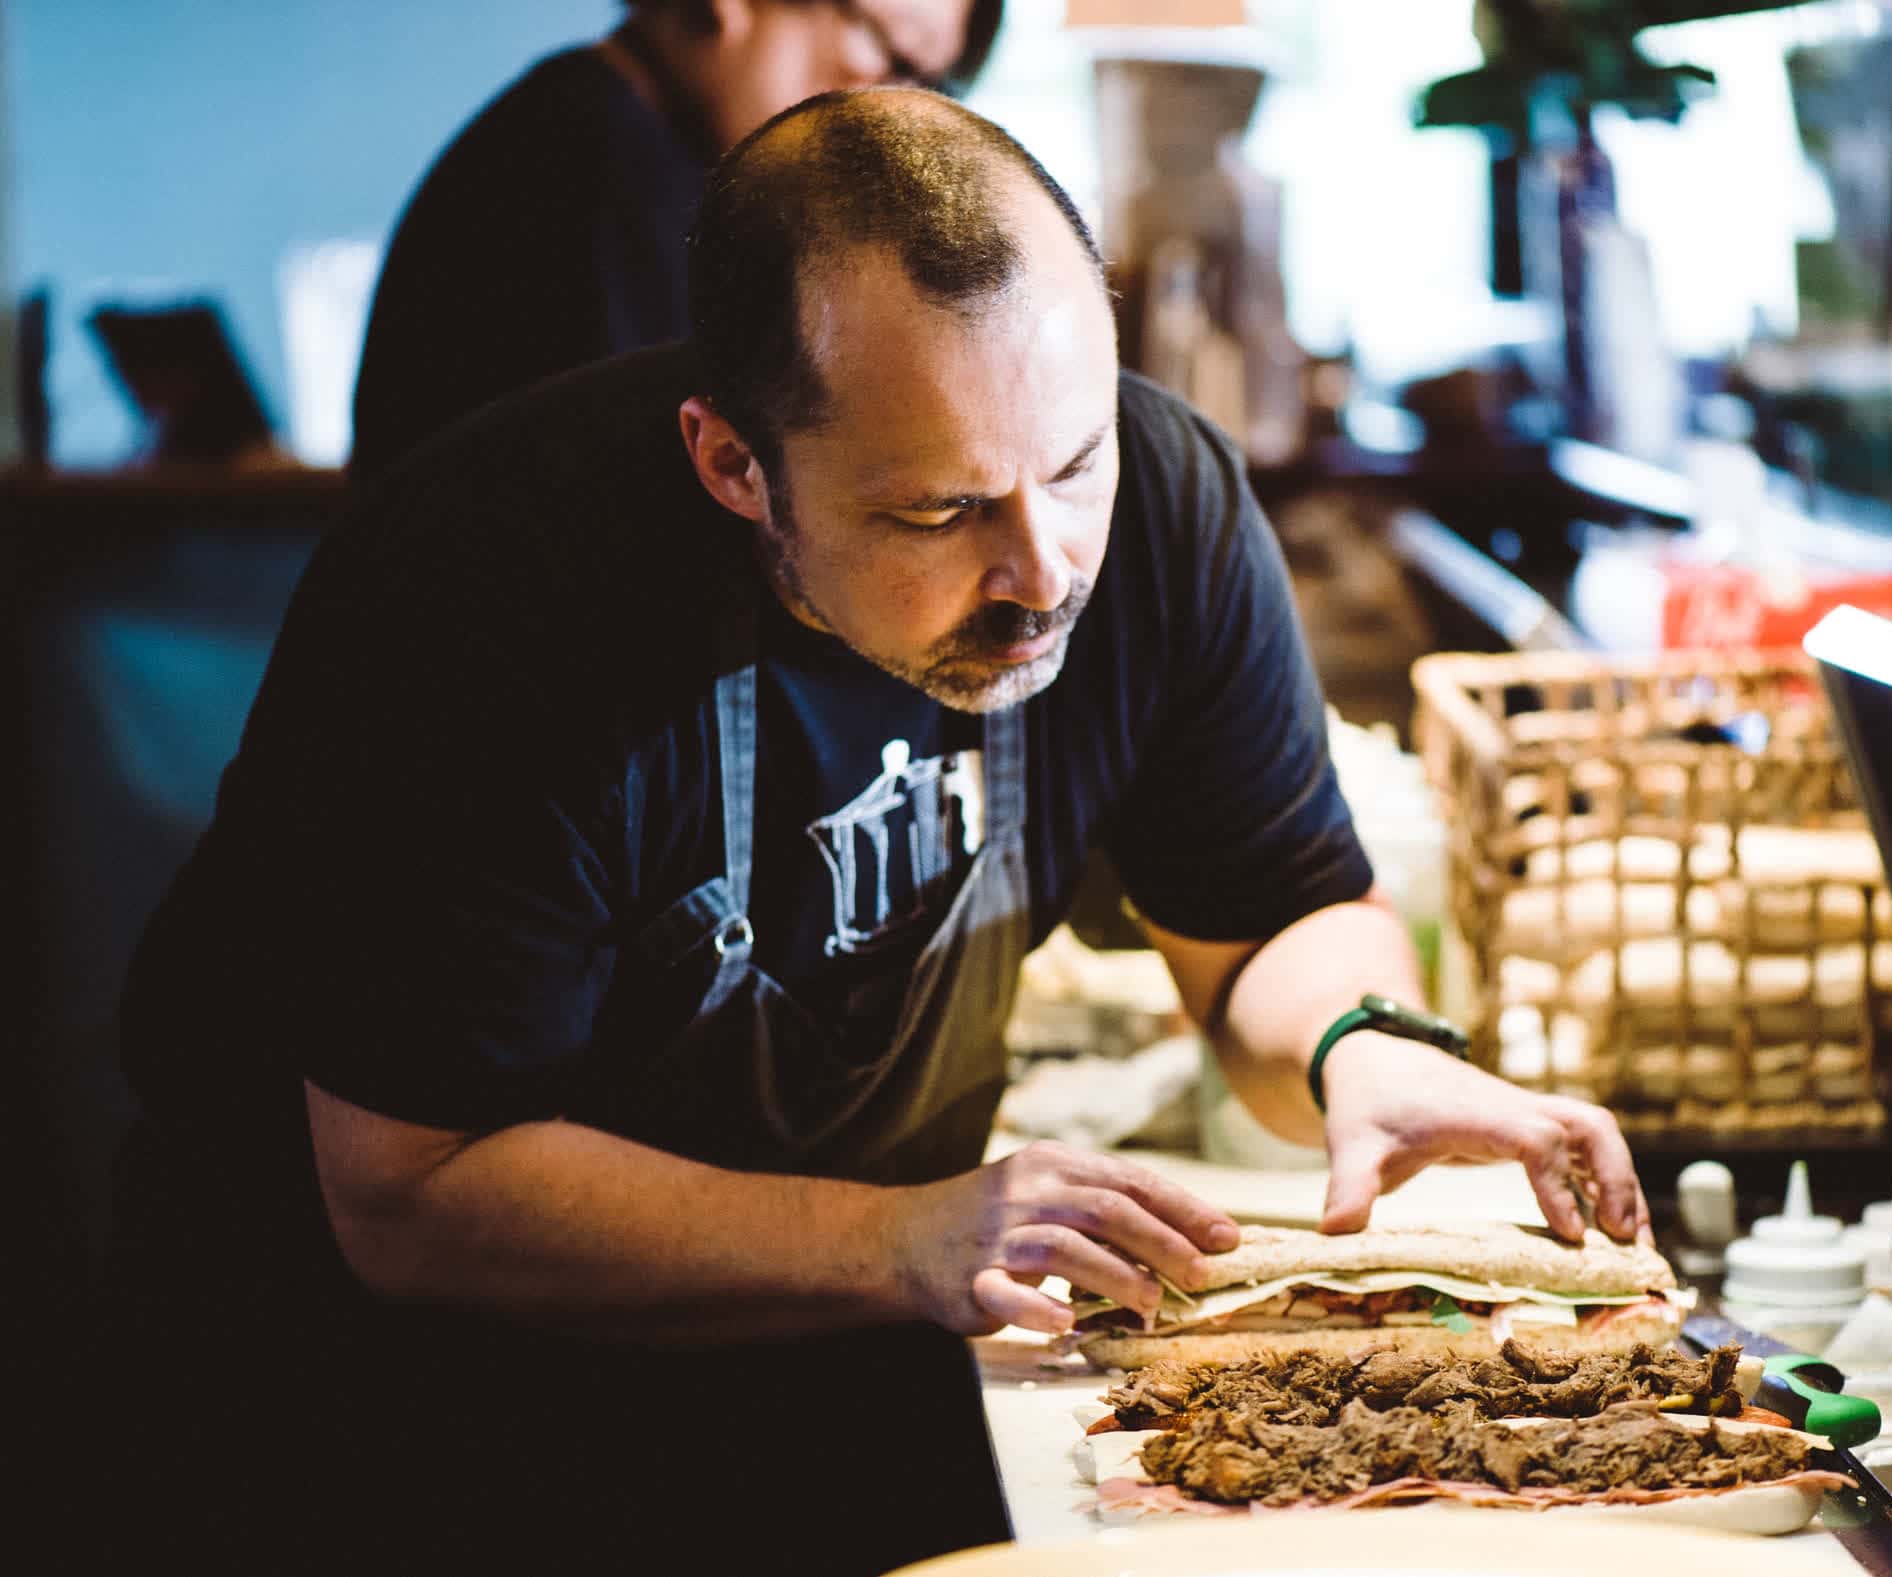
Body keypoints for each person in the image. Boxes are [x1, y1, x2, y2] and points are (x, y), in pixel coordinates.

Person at [99, 89, 1651, 1574]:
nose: (1042, 570)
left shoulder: (1165, 505)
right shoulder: (484, 605)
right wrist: (904, 1236)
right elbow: (413, 1197)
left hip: (821, 1302)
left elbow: (1259, 922)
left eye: (1071, 465)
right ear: (730, 463)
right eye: (938, 513)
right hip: (385, 1395)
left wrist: (1360, 1048)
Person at [348, 0, 1002, 479]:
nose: (892, 111)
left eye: (929, 85)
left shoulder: (606, 138)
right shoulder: (594, 170)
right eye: (888, 55)